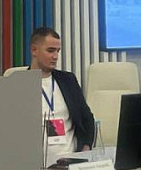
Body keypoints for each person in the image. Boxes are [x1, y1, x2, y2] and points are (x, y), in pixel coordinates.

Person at [29, 27, 95, 158]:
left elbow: (87, 118)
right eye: (50, 50)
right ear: (34, 50)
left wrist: (86, 148)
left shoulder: (68, 80)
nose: (55, 56)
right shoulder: (20, 85)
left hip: (71, 159)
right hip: (35, 162)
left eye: (57, 51)